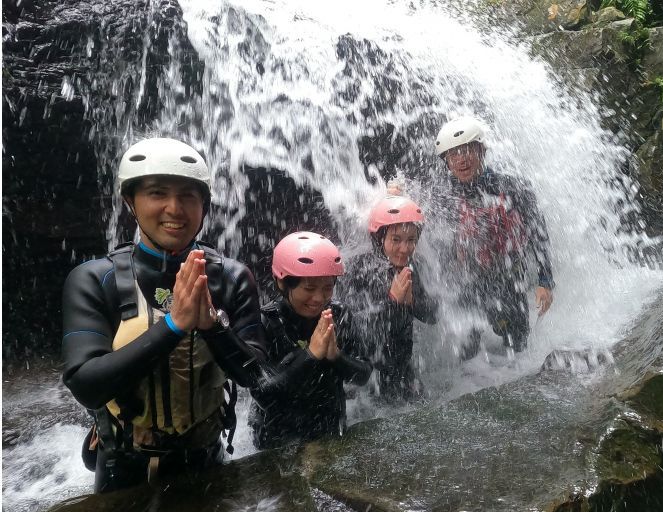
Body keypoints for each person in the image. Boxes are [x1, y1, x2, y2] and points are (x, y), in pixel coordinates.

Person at [61, 137, 267, 493]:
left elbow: (257, 376)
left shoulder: (232, 278)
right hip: (124, 467)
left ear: (204, 206)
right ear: (131, 201)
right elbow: (86, 385)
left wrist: (213, 327)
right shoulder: (95, 280)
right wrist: (173, 326)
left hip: (207, 459)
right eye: (157, 193)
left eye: (189, 196)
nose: (175, 209)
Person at [434, 115, 555, 359]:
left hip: (508, 278)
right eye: (454, 154)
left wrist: (545, 281)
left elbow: (538, 234)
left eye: (468, 149)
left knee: (518, 349)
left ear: (482, 150)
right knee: (468, 357)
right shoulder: (440, 196)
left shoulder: (513, 188)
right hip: (464, 283)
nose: (462, 159)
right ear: (446, 162)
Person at [249, 231, 372, 448]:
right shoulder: (266, 322)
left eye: (327, 288)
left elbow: (363, 374)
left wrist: (336, 357)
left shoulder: (339, 315)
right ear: (282, 283)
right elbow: (262, 393)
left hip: (329, 427)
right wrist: (310, 355)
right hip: (279, 439)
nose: (318, 298)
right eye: (309, 288)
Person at [338, 194, 438, 404]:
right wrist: (393, 301)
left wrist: (412, 303)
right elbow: (355, 329)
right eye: (396, 240)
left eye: (411, 240)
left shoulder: (410, 268)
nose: (405, 248)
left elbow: (433, 315)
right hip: (365, 374)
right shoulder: (359, 270)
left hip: (400, 368)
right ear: (379, 238)